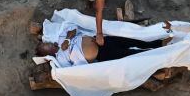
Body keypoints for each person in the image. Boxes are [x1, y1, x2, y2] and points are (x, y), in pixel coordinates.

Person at [35, 29, 164, 67]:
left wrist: (67, 40)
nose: (47, 43)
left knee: (131, 41)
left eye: (45, 42)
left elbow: (73, 29)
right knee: (131, 54)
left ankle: (158, 44)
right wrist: (89, 59)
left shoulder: (60, 39)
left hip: (102, 41)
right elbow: (76, 70)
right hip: (101, 54)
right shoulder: (61, 59)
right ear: (47, 54)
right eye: (44, 46)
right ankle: (158, 55)